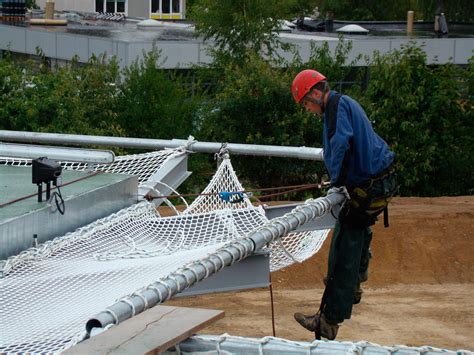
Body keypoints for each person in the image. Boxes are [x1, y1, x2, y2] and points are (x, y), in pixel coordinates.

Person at [291, 69, 397, 340]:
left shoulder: (335, 107)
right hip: (382, 182)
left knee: (343, 247)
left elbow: (340, 144)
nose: (308, 110)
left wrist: (335, 181)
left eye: (306, 104)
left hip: (370, 186)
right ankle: (356, 284)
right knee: (358, 229)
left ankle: (328, 321)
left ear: (316, 93)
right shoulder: (345, 102)